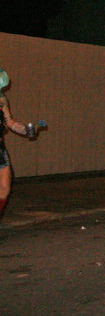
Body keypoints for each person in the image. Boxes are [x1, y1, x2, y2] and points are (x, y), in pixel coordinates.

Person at [0, 68, 39, 220]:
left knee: (4, 187)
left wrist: (26, 130)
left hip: (0, 149)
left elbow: (9, 121)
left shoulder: (2, 100)